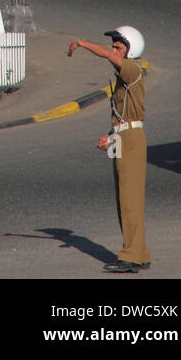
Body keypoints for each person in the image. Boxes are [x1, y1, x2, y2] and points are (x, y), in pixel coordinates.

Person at [67, 25, 149, 272]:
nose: (114, 51)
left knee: (130, 199)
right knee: (123, 197)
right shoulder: (122, 76)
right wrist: (110, 136)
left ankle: (131, 256)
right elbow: (121, 116)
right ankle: (140, 252)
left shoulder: (133, 70)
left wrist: (82, 43)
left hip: (132, 139)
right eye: (113, 46)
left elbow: (109, 57)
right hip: (122, 137)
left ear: (130, 51)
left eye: (118, 47)